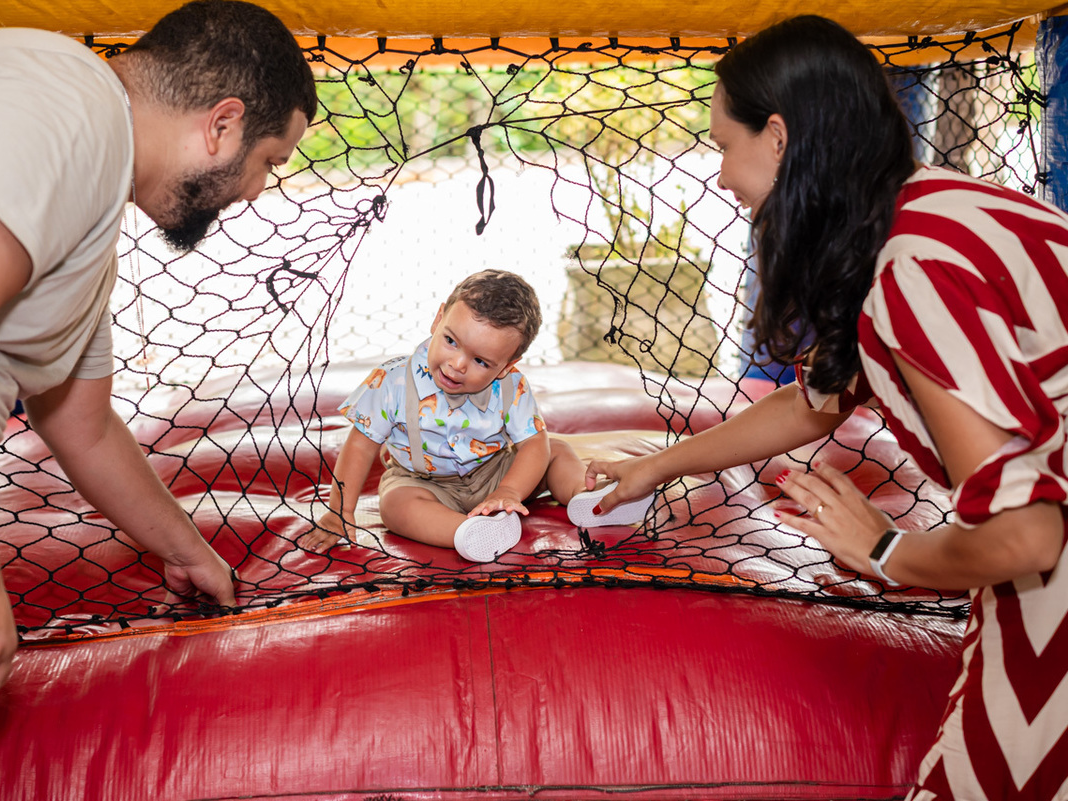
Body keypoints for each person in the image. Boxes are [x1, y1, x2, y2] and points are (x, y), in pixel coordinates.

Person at [583, 15, 1067, 799]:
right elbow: (816, 403)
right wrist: (659, 466)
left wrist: (885, 550)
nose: (720, 174)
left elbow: (1025, 535)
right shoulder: (927, 207)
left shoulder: (913, 271)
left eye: (723, 145)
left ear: (777, 138)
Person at [0, 1, 316, 798]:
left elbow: (78, 417)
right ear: (222, 125)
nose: (254, 192)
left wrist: (186, 548)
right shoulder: (66, 95)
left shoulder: (84, 208)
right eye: (269, 161)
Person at [300, 269, 652, 562]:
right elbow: (360, 446)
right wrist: (341, 511)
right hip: (424, 482)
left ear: (506, 366)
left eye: (481, 361)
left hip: (495, 472)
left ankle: (586, 497)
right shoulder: (392, 381)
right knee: (395, 505)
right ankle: (468, 531)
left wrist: (510, 490)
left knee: (554, 450)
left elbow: (532, 445)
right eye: (451, 341)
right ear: (438, 319)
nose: (457, 364)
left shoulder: (511, 385)